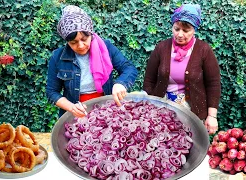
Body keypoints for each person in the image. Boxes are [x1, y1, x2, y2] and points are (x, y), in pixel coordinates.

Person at [46, 5, 138, 118]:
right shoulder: (58, 56)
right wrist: (71, 107)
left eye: (84, 39)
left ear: (90, 34)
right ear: (67, 41)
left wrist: (120, 84)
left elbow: (129, 68)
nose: (80, 46)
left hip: (107, 110)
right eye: (73, 43)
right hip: (76, 113)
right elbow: (51, 92)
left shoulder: (106, 48)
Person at [142, 4, 221, 134]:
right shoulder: (161, 48)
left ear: (194, 29)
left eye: (186, 30)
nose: (179, 34)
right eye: (176, 29)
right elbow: (149, 80)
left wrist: (212, 116)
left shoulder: (203, 50)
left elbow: (213, 84)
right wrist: (149, 106)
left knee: (191, 147)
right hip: (162, 110)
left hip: (192, 112)